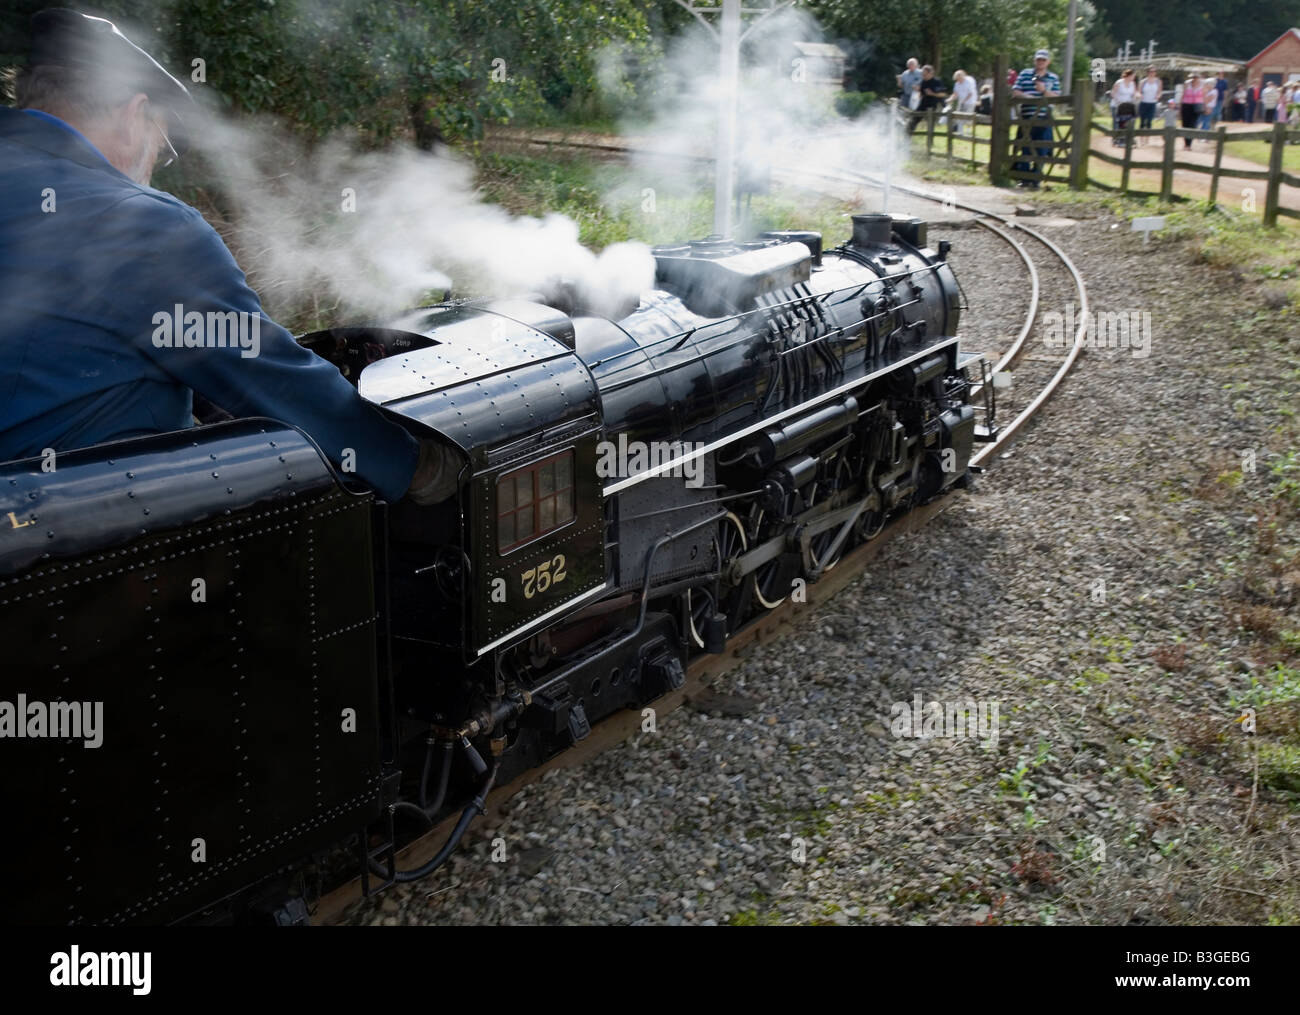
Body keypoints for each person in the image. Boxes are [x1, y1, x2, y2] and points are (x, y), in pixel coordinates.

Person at [0, 9, 456, 505]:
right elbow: (273, 379)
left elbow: (61, 344)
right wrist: (416, 466)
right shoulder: (142, 225)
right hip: (70, 544)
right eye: (163, 147)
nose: (155, 168)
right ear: (134, 116)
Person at [1011, 49, 1060, 189]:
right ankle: (1025, 177)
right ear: (1035, 61)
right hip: (1027, 115)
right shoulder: (1025, 74)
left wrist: (1044, 91)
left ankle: (1036, 177)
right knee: (1025, 146)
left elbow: (1057, 97)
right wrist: (1030, 98)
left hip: (1044, 117)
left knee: (1043, 148)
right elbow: (1016, 91)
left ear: (1048, 62)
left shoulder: (1053, 78)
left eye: (1043, 60)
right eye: (1038, 60)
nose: (1041, 62)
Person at [908, 64, 947, 135]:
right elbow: (922, 93)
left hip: (933, 105)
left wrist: (933, 94)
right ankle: (907, 137)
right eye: (922, 74)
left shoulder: (937, 82)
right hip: (923, 104)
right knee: (913, 119)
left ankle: (930, 142)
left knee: (930, 125)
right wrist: (918, 90)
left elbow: (943, 94)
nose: (923, 76)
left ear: (930, 73)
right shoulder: (924, 82)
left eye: (925, 74)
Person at [1110, 69, 1138, 145]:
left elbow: (1134, 94)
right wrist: (1118, 102)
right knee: (1117, 122)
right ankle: (1116, 138)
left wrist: (1135, 98)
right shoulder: (1119, 83)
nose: (1134, 77)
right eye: (1133, 76)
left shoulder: (1133, 84)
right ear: (1129, 75)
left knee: (1127, 122)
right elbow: (1113, 93)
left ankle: (1126, 138)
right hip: (1117, 105)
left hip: (1127, 107)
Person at [950, 68, 977, 136]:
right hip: (961, 101)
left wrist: (964, 101)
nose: (958, 80)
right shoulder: (957, 84)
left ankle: (968, 131)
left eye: (959, 78)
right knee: (959, 116)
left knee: (968, 117)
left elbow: (970, 93)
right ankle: (960, 131)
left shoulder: (968, 82)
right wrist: (950, 99)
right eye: (957, 79)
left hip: (970, 102)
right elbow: (955, 93)